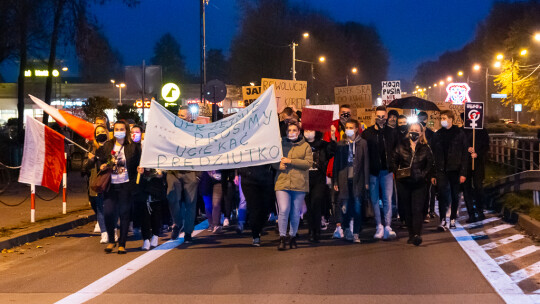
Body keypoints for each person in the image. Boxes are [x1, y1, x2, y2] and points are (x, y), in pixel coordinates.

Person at [97, 121, 141, 254]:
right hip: (111, 185)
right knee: (108, 212)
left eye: (122, 129)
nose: (119, 131)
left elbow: (139, 162)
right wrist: (102, 165)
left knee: (124, 213)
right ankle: (111, 240)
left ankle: (122, 244)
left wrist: (140, 169)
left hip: (126, 185)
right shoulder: (108, 146)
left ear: (126, 131)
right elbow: (101, 159)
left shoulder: (133, 147)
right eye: (116, 129)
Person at [392, 122, 433, 246]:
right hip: (404, 183)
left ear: (421, 133)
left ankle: (417, 234)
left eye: (417, 130)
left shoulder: (425, 148)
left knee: (417, 209)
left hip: (419, 183)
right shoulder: (401, 146)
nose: (414, 132)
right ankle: (411, 233)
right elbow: (393, 161)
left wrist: (423, 174)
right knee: (407, 209)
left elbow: (430, 164)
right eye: (412, 129)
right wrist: (398, 172)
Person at [274, 123, 313, 250]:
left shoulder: (305, 146)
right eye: (289, 130)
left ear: (299, 132)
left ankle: (293, 236)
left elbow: (308, 163)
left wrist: (291, 161)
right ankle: (282, 237)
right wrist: (277, 166)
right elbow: (272, 160)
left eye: (294, 130)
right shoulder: (280, 145)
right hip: (282, 182)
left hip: (299, 184)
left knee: (295, 212)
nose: (291, 132)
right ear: (286, 132)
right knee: (284, 209)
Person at [361, 106, 398, 240]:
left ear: (387, 117)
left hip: (387, 171)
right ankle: (379, 226)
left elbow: (396, 150)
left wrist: (393, 166)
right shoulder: (368, 133)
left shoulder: (392, 132)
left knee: (387, 199)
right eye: (378, 116)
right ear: (374, 116)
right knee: (375, 200)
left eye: (383, 116)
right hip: (373, 171)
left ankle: (388, 226)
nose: (381, 119)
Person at [166, 106, 201, 243]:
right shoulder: (171, 131)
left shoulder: (196, 132)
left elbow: (202, 151)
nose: (180, 117)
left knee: (191, 203)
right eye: (179, 115)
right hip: (173, 171)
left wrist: (198, 174)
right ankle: (178, 222)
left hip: (191, 171)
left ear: (189, 117)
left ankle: (188, 232)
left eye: (183, 116)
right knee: (172, 197)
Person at [332, 120, 369, 243]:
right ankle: (347, 228)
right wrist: (335, 181)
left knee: (357, 207)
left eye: (351, 127)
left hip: (357, 180)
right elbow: (336, 164)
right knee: (345, 206)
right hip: (344, 179)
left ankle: (356, 233)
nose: (348, 129)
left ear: (356, 129)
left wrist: (366, 182)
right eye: (347, 127)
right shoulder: (340, 144)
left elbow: (365, 163)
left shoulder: (362, 143)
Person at [432, 110, 468, 230]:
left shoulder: (459, 133)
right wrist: (434, 173)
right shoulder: (438, 134)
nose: (443, 120)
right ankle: (442, 219)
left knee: (454, 195)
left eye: (445, 118)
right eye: (441, 118)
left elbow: (464, 154)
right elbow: (433, 154)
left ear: (451, 119)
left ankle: (452, 218)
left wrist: (463, 172)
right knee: (442, 194)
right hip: (441, 169)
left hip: (455, 169)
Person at [303, 129, 335, 242]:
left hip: (319, 179)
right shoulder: (301, 144)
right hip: (305, 179)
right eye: (306, 130)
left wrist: (332, 138)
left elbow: (332, 152)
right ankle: (312, 230)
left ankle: (316, 230)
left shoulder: (322, 145)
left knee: (316, 202)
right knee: (309, 206)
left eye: (311, 130)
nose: (308, 132)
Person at [460, 113, 490, 223]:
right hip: (465, 164)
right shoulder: (461, 131)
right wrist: (467, 149)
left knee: (478, 186)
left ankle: (480, 210)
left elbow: (486, 146)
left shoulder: (482, 131)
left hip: (478, 164)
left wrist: (478, 153)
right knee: (466, 189)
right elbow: (458, 146)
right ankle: (471, 214)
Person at [83, 124, 110, 244]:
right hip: (96, 183)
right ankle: (104, 232)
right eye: (97, 133)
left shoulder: (112, 146)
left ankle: (110, 230)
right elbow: (83, 169)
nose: (100, 134)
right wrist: (90, 160)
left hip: (110, 181)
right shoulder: (92, 149)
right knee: (98, 207)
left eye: (102, 132)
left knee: (110, 207)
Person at [238, 165, 275, 246]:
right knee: (253, 207)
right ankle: (255, 235)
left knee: (265, 207)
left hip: (265, 178)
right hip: (248, 179)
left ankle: (259, 227)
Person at [137, 167, 165, 250]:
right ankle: (146, 239)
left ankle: (155, 235)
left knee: (156, 215)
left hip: (156, 189)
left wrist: (162, 173)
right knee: (144, 216)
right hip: (143, 190)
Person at [418, 111, 436, 220]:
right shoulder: (414, 132)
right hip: (418, 166)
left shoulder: (431, 134)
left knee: (430, 190)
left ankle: (430, 210)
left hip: (428, 166)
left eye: (423, 119)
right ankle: (421, 210)